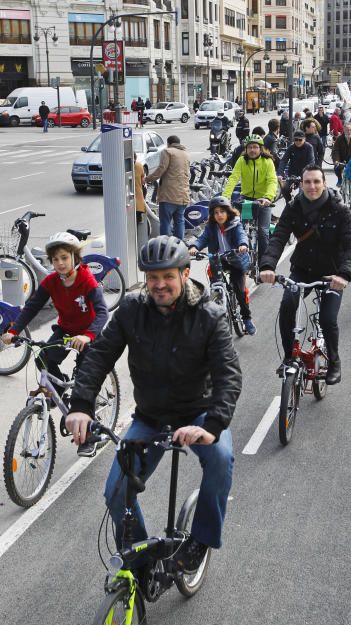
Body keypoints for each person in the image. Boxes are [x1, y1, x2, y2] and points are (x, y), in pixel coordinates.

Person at [65, 236, 242, 575]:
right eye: (152, 277)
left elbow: (228, 375)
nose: (159, 285)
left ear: (185, 274)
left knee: (220, 459)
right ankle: (142, 560)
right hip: (151, 415)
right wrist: (81, 406)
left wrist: (212, 426)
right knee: (117, 491)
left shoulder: (210, 315)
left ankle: (201, 541)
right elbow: (100, 356)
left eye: (168, 277)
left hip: (199, 413)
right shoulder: (132, 309)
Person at [2, 232, 108, 456]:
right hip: (66, 330)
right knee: (42, 357)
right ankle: (59, 390)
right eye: (55, 259)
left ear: (74, 257)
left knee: (84, 386)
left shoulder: (86, 280)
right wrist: (13, 331)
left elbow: (102, 312)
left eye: (64, 257)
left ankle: (88, 436)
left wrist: (88, 336)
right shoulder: (51, 282)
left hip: (89, 334)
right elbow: (31, 307)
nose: (59, 263)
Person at [259, 165, 351, 385]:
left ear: (324, 183)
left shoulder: (339, 210)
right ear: (302, 184)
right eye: (307, 182)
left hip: (332, 275)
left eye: (316, 181)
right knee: (287, 305)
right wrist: (267, 266)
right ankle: (288, 357)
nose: (312, 186)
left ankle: (334, 361)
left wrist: (344, 275)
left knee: (327, 319)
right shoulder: (294, 208)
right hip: (302, 270)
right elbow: (279, 238)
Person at [188, 196, 256, 335]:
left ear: (228, 212)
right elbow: (202, 239)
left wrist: (243, 245)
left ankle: (246, 318)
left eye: (222, 212)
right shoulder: (211, 227)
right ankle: (218, 300)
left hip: (235, 260)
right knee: (214, 284)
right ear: (212, 215)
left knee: (240, 291)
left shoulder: (235, 224)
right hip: (218, 260)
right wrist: (195, 247)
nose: (219, 215)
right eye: (216, 212)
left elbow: (241, 236)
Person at [223, 134, 277, 264]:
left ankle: (263, 264)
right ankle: (240, 260)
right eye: (249, 147)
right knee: (240, 230)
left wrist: (268, 197)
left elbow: (272, 181)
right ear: (246, 149)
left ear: (260, 149)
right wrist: (225, 197)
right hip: (246, 199)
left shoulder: (267, 161)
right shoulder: (242, 160)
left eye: (255, 147)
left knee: (263, 232)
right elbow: (233, 178)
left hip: (263, 200)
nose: (252, 150)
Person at [145, 135, 190, 240]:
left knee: (165, 223)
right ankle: (179, 246)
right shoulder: (185, 154)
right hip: (183, 195)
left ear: (169, 143)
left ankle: (165, 246)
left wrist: (147, 179)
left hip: (169, 195)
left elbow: (161, 170)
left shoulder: (167, 152)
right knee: (179, 221)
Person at [277, 130, 315, 202]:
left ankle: (302, 208)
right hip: (292, 174)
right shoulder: (291, 147)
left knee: (302, 193)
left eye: (300, 140)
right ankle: (289, 204)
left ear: (304, 139)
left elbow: (311, 162)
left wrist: (305, 175)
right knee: (284, 189)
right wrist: (280, 174)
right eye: (296, 140)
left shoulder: (309, 147)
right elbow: (284, 160)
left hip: (304, 175)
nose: (298, 142)